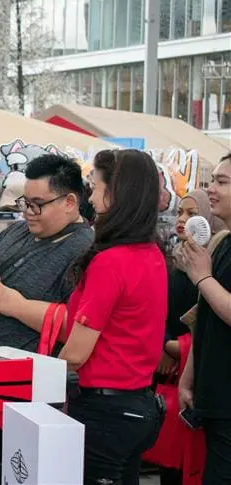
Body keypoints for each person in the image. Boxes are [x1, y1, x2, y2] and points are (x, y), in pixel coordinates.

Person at [57, 150, 166, 485]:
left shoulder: (111, 261)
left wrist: (44, 383)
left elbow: (76, 353)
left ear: (117, 192)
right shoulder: (152, 254)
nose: (90, 194)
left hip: (105, 409)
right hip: (139, 406)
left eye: (95, 185)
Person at [0, 154, 93, 352]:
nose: (27, 212)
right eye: (25, 202)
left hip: (31, 373)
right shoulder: (15, 231)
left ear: (70, 202)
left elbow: (81, 326)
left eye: (37, 204)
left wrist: (13, 304)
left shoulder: (85, 249)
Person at [150, 189, 226, 485]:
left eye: (193, 214)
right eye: (181, 212)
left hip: (206, 382)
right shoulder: (177, 264)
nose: (183, 221)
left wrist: (173, 347)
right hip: (183, 383)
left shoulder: (210, 263)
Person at [178, 153, 231, 485]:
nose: (211, 190)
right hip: (214, 402)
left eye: (222, 182)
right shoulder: (223, 242)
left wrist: (202, 278)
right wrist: (188, 378)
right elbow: (205, 317)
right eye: (213, 180)